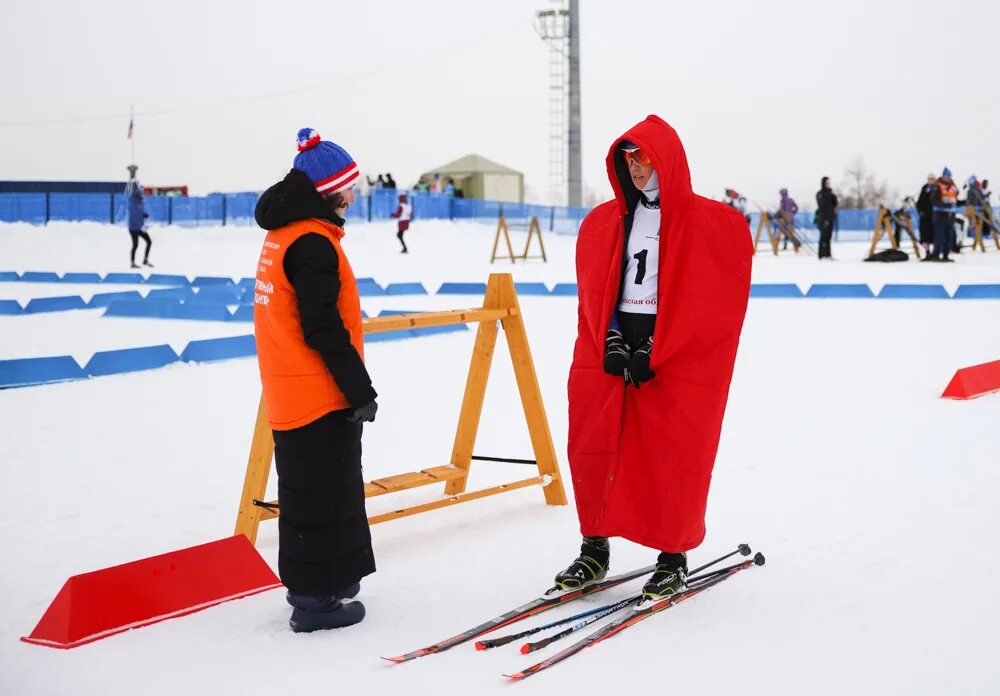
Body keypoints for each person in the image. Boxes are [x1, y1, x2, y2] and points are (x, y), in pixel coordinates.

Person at [555, 115, 752, 606]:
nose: (636, 168)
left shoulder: (710, 223)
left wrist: (659, 344)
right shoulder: (606, 221)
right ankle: (595, 547)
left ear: (666, 160)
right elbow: (596, 292)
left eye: (643, 158)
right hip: (616, 334)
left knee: (672, 450)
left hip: (674, 344)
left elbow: (712, 300)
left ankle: (671, 558)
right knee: (594, 441)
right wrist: (615, 337)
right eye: (628, 160)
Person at [253, 127, 378, 632]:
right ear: (329, 191)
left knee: (328, 488)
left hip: (293, 387)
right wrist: (358, 389)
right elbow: (323, 327)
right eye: (349, 188)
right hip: (316, 391)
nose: (353, 197)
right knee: (319, 495)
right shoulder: (310, 243)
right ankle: (313, 601)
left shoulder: (287, 233)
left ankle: (336, 578)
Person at [930, 167, 958, 262]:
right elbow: (933, 200)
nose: (948, 178)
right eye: (946, 176)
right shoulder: (937, 186)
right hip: (939, 216)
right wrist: (944, 204)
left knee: (948, 237)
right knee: (939, 237)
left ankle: (946, 256)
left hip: (950, 217)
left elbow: (955, 200)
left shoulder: (954, 187)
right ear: (943, 176)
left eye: (949, 176)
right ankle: (936, 256)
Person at [126, 183, 152, 268]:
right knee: (135, 244)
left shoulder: (139, 201)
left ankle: (145, 260)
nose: (143, 195)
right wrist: (142, 216)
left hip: (139, 227)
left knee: (149, 241)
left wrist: (144, 215)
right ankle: (132, 263)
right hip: (133, 228)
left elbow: (138, 213)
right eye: (142, 193)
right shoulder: (133, 201)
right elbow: (134, 214)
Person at [815, 177, 838, 259]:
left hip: (830, 218)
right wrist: (825, 219)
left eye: (829, 183)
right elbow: (822, 206)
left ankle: (828, 254)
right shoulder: (820, 194)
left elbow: (834, 204)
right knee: (823, 237)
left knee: (828, 237)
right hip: (823, 219)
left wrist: (832, 196)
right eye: (826, 183)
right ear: (823, 183)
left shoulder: (831, 194)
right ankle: (821, 255)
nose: (828, 185)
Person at [916, 173, 936, 256]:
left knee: (935, 235)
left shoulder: (937, 188)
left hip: (935, 216)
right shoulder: (924, 189)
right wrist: (920, 212)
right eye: (929, 179)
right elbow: (919, 203)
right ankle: (927, 251)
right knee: (925, 236)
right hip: (925, 217)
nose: (931, 181)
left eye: (932, 179)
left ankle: (935, 251)